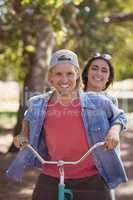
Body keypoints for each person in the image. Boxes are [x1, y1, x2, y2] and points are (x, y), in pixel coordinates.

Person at [7, 49, 127, 200]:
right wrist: (23, 133)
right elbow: (27, 116)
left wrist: (114, 131)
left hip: (92, 176)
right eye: (58, 74)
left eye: (69, 73)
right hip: (52, 174)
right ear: (50, 78)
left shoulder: (97, 101)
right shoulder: (38, 103)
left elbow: (119, 116)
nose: (64, 79)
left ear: (77, 75)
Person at [82, 53, 119, 200]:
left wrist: (115, 130)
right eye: (95, 68)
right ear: (86, 73)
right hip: (73, 166)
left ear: (109, 77)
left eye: (104, 71)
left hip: (100, 169)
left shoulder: (110, 100)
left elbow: (118, 120)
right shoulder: (73, 97)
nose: (99, 73)